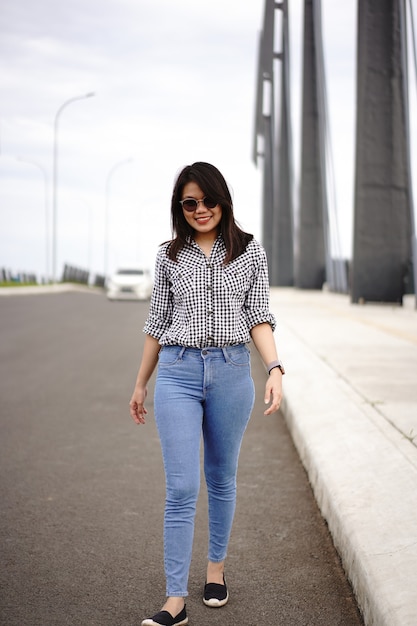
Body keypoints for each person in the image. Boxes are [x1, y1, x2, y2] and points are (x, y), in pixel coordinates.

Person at [129, 162, 284, 626]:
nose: (201, 210)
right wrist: (140, 383)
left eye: (208, 200)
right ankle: (174, 599)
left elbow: (259, 314)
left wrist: (275, 367)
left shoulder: (249, 251)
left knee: (221, 477)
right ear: (181, 207)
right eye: (190, 203)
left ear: (223, 200)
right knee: (180, 487)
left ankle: (215, 571)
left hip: (232, 370)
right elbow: (157, 323)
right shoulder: (169, 256)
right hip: (176, 371)